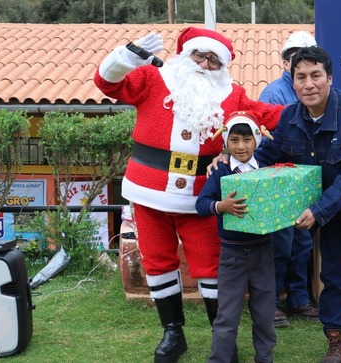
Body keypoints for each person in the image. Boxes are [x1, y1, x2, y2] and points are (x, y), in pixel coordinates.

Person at [210, 46, 341, 363]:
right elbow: (267, 156)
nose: (308, 84)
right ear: (293, 82)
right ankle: (337, 340)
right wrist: (232, 160)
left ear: (329, 78)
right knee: (332, 278)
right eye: (300, 77)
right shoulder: (290, 118)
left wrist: (317, 211)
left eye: (316, 75)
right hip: (332, 214)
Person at [93, 27, 283, 363]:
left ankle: (221, 338)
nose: (205, 64)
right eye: (200, 55)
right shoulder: (154, 78)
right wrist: (128, 56)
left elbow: (266, 116)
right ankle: (173, 333)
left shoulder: (233, 94)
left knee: (210, 268)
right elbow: (107, 84)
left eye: (214, 60)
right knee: (157, 262)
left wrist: (315, 108)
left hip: (202, 197)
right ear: (186, 54)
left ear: (222, 66)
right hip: (148, 191)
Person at [196, 111, 277, 363]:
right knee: (227, 315)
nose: (240, 147)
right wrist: (221, 206)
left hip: (263, 252)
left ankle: (264, 358)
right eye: (234, 140)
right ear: (225, 143)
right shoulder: (220, 171)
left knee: (264, 313)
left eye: (247, 140)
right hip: (231, 255)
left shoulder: (265, 170)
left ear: (256, 140)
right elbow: (201, 204)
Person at [258, 30, 319, 328]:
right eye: (295, 56)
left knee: (303, 243)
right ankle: (270, 303)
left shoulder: (314, 90)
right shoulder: (273, 94)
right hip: (277, 180)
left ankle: (298, 298)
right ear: (285, 62)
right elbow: (262, 143)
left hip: (303, 180)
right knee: (280, 244)